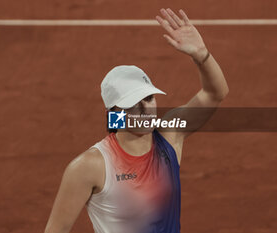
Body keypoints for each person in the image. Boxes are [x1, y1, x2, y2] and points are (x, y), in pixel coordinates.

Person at [44, 8, 229, 233]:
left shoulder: (169, 135)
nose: (144, 110)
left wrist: (202, 55)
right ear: (114, 112)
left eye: (149, 98)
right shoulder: (89, 166)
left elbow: (214, 93)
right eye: (132, 103)